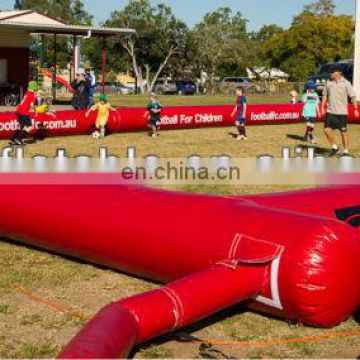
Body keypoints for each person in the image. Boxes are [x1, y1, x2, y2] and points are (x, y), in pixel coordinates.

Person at [322, 65, 359, 157]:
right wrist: (323, 106)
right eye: (330, 72)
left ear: (339, 73)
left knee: (343, 132)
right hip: (330, 111)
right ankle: (334, 148)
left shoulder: (346, 83)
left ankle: (346, 152)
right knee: (326, 130)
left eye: (332, 72)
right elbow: (324, 95)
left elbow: (353, 96)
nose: (330, 73)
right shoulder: (328, 82)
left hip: (342, 113)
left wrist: (355, 109)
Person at [9, 81, 38, 146]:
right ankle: (19, 139)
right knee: (30, 127)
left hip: (18, 110)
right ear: (35, 87)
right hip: (24, 112)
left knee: (22, 127)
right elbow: (32, 105)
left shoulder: (27, 93)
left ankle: (12, 139)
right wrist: (35, 111)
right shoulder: (32, 94)